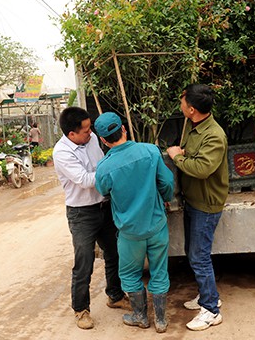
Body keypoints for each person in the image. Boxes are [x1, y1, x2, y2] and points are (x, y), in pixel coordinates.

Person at [94, 112, 174, 333]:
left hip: (130, 232)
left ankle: (140, 316)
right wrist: (166, 199)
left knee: (129, 274)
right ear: (123, 129)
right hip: (157, 225)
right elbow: (166, 182)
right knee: (159, 271)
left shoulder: (104, 167)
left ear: (103, 140)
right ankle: (160, 320)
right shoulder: (150, 150)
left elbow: (102, 191)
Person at [52, 106, 130, 330]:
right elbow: (86, 180)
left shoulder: (93, 138)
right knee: (84, 262)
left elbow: (101, 163)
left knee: (114, 252)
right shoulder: (62, 153)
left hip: (103, 206)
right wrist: (116, 170)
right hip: (81, 214)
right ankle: (81, 309)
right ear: (71, 135)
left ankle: (114, 295)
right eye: (86, 130)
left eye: (90, 128)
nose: (91, 133)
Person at [166, 83, 229, 331]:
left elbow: (202, 169)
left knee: (200, 257)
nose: (180, 105)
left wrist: (176, 156)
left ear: (191, 109)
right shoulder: (195, 128)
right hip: (194, 200)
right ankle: (206, 296)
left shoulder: (213, 135)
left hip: (207, 204)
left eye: (183, 102)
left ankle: (212, 310)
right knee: (194, 253)